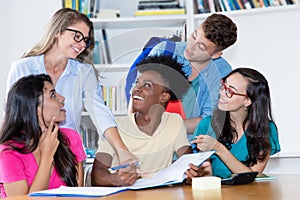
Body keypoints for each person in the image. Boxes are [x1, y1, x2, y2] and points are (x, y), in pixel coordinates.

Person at [6, 8, 135, 163]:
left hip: (67, 153)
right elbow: (12, 115)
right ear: (57, 31)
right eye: (77, 36)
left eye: (86, 40)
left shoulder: (84, 72)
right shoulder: (22, 68)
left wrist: (122, 151)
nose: (82, 45)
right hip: (29, 151)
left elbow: (101, 113)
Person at [91, 55, 209, 186]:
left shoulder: (174, 122)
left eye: (147, 85)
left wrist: (191, 173)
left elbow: (187, 162)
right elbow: (96, 176)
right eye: (137, 83)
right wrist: (115, 180)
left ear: (163, 97)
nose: (136, 88)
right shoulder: (115, 126)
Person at [148, 13, 238, 134]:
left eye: (201, 46)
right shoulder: (163, 50)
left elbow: (209, 120)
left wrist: (165, 128)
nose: (191, 47)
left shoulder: (223, 71)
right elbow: (138, 96)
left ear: (216, 55)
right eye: (194, 36)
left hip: (193, 144)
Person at [0, 74, 86, 197]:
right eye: (52, 95)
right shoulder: (9, 153)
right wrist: (47, 156)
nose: (62, 98)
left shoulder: (71, 138)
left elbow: (77, 195)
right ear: (34, 108)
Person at [191, 67, 281, 179]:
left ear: (248, 101)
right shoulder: (207, 124)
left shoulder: (266, 129)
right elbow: (205, 172)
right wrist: (199, 173)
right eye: (223, 85)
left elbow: (253, 175)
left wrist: (218, 148)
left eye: (230, 91)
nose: (222, 93)